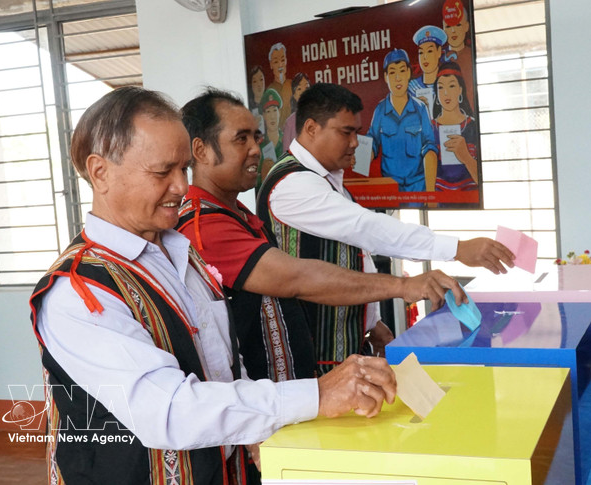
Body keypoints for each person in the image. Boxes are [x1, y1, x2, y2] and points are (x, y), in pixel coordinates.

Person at [30, 86, 397, 484]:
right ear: (101, 172)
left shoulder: (180, 254)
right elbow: (169, 410)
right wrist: (316, 395)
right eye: (162, 172)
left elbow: (220, 364)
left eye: (184, 169)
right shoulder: (79, 289)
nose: (180, 186)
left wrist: (255, 428)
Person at [178, 87, 464, 380]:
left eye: (256, 137)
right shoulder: (205, 226)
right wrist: (404, 285)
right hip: (274, 394)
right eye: (241, 139)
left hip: (299, 382)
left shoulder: (237, 213)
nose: (254, 149)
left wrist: (370, 321)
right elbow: (298, 277)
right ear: (201, 151)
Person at [256, 83, 515, 373]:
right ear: (312, 128)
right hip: (307, 357)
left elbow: (355, 253)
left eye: (357, 132)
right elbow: (365, 228)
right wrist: (457, 248)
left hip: (341, 347)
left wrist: (371, 321)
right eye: (346, 132)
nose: (355, 142)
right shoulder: (292, 185)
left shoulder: (326, 180)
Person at [369, 48, 438, 194]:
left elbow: (429, 146)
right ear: (386, 77)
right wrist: (360, 157)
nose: (398, 78)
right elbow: (372, 141)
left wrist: (431, 194)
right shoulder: (380, 110)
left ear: (408, 73)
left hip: (417, 187)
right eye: (392, 72)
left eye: (402, 71)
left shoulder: (420, 108)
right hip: (390, 187)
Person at [432, 61, 478, 192]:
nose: (446, 93)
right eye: (441, 87)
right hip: (438, 198)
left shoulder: (472, 126)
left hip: (469, 196)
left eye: (451, 86)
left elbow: (483, 179)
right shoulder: (429, 128)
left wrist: (466, 157)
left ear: (460, 89)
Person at [408, 25, 448, 109]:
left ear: (439, 52)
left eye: (429, 51)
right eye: (421, 53)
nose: (425, 57)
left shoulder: (448, 83)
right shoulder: (411, 87)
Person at [258, 88, 283, 188]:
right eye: (268, 112)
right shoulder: (259, 145)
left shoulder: (288, 140)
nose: (272, 117)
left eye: (275, 110)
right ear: (264, 115)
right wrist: (263, 175)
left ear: (279, 112)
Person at [282, 72, 310, 152]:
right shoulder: (290, 122)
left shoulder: (320, 117)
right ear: (294, 95)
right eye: (299, 89)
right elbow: (286, 153)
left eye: (306, 88)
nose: (303, 92)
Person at [266, 42, 293, 123]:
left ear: (286, 61)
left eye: (282, 60)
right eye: (276, 62)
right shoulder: (270, 90)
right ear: (271, 65)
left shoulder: (293, 85)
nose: (280, 65)